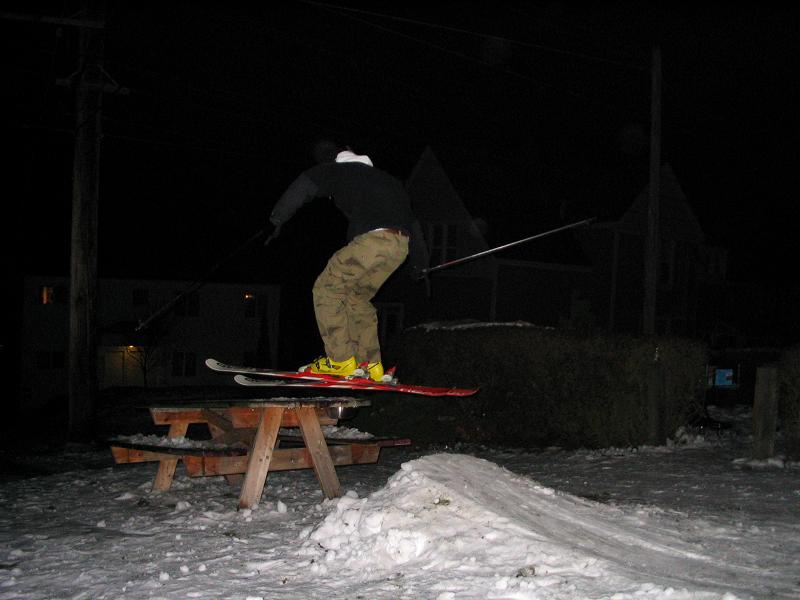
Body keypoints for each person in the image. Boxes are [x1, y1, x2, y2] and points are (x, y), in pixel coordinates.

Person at [268, 142, 427, 382]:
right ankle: (370, 365)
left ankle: (340, 361)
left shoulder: (337, 170)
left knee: (327, 289)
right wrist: (420, 264)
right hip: (399, 246)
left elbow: (305, 183)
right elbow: (414, 226)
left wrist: (277, 219)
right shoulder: (388, 181)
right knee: (357, 298)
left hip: (372, 242)